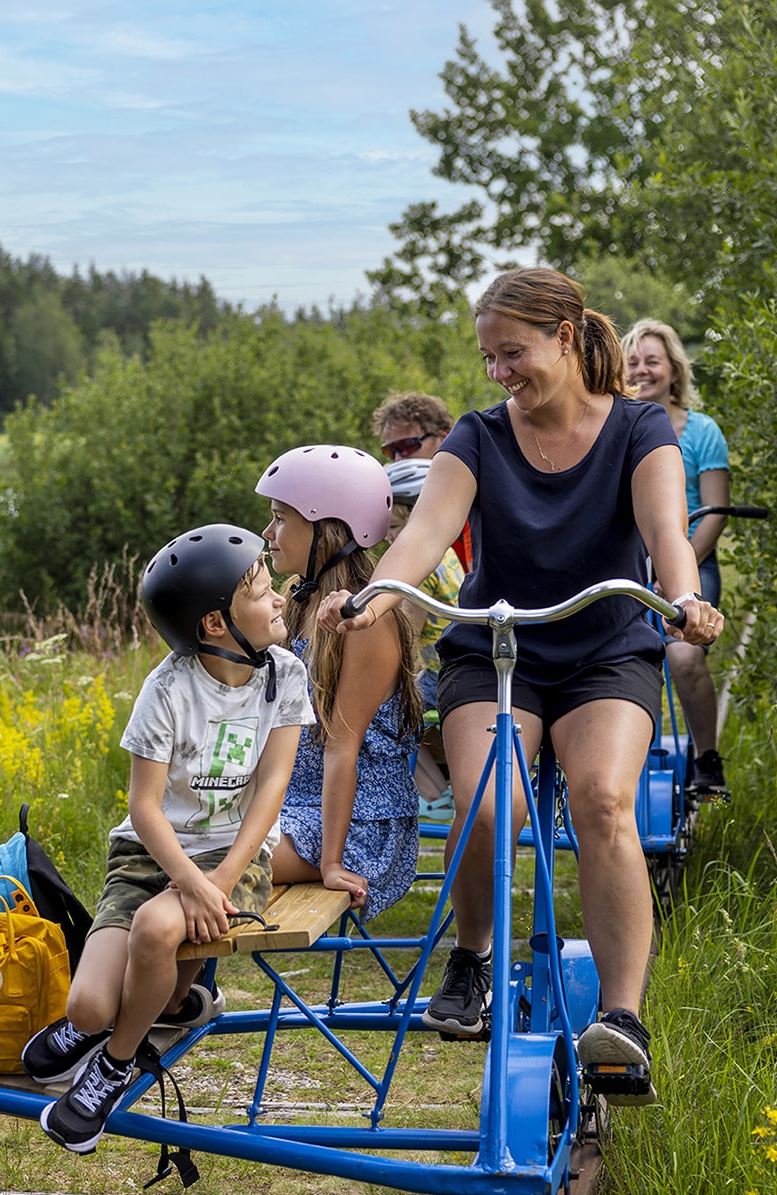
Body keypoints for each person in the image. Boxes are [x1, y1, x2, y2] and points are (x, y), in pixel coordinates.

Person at [322, 267, 724, 1106]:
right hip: (496, 648)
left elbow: (664, 531)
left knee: (605, 803)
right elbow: (424, 534)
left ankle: (622, 1016)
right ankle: (471, 955)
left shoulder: (640, 428)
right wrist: (377, 593)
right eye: (488, 357)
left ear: (566, 337)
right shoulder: (473, 437)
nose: (500, 371)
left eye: (513, 352)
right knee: (488, 802)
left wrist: (683, 598)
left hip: (605, 648)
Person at [27, 525, 313, 1152]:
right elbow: (144, 807)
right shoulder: (167, 689)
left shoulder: (284, 675)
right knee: (88, 1009)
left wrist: (220, 881)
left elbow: (273, 785)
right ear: (215, 624)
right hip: (148, 852)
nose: (278, 599)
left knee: (157, 933)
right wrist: (188, 881)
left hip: (234, 854)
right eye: (262, 591)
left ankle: (112, 1065)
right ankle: (139, 1013)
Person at [255, 445, 421, 913]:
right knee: (166, 853)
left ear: (326, 529)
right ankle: (187, 990)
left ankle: (190, 990)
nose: (268, 533)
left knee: (208, 870)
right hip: (290, 806)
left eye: (280, 518)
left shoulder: (368, 622)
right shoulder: (297, 597)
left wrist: (331, 861)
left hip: (355, 825)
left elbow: (341, 747)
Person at [623, 318, 733, 799]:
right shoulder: (614, 425)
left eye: (652, 361)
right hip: (626, 564)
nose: (642, 371)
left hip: (692, 558)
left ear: (673, 370)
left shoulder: (702, 431)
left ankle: (708, 760)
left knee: (685, 657)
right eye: (632, 363)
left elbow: (716, 511)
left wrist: (677, 574)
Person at [383, 455, 467, 822]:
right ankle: (436, 790)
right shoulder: (446, 555)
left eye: (396, 527)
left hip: (441, 674)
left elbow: (404, 645)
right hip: (453, 666)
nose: (388, 538)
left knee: (373, 709)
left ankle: (432, 794)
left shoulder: (420, 570)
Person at [373, 392, 472, 571]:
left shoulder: (474, 499)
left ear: (444, 437)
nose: (398, 459)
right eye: (390, 451)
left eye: (407, 446)